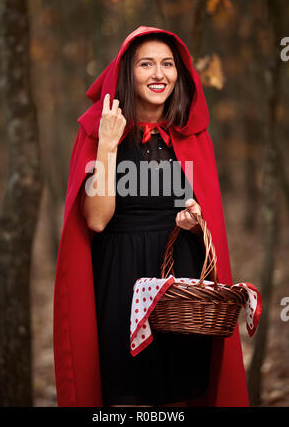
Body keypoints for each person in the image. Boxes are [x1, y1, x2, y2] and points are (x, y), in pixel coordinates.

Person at [53, 26, 250, 407]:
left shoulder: (191, 135)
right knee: (127, 398)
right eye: (147, 64)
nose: (159, 74)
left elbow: (203, 213)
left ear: (179, 74)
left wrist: (194, 221)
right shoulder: (98, 133)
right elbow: (96, 219)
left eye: (168, 64)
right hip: (120, 281)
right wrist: (109, 144)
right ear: (128, 71)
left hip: (179, 280)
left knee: (181, 397)